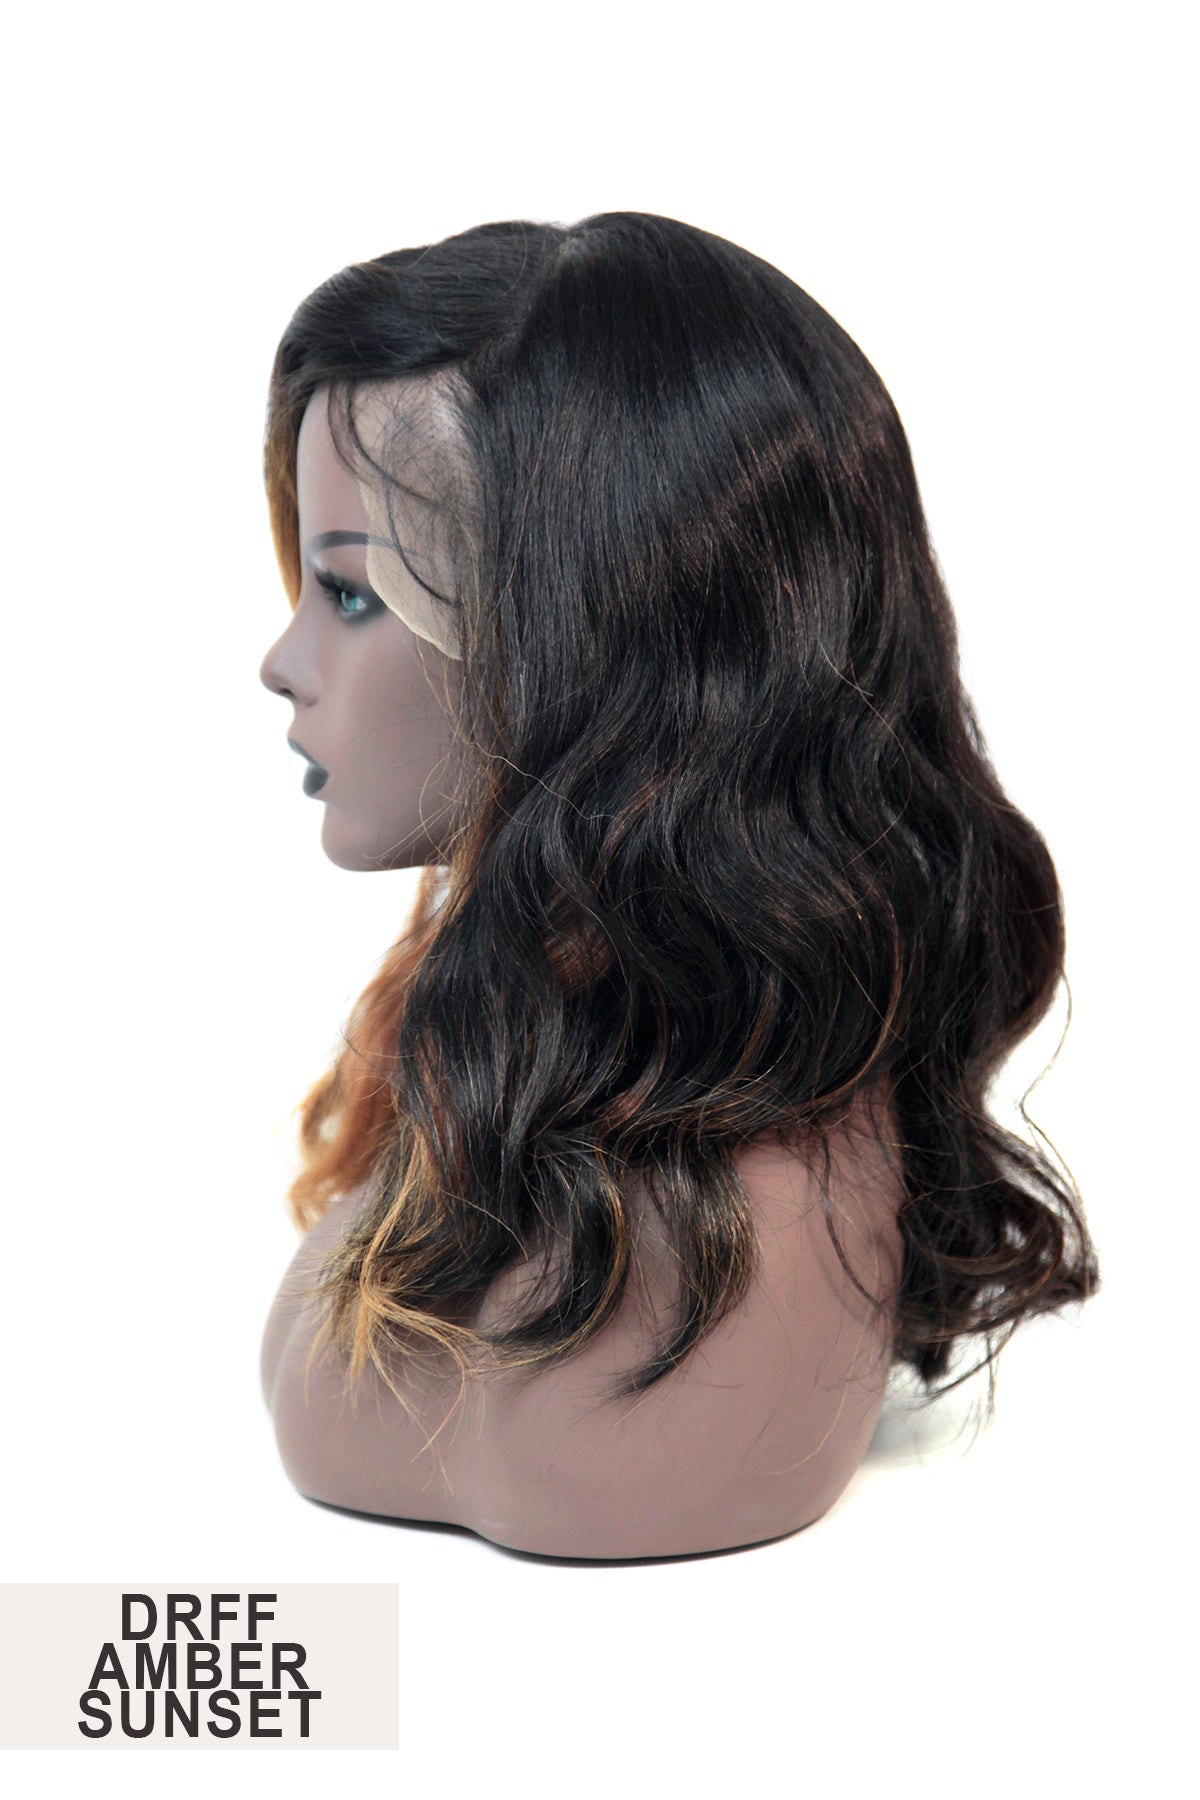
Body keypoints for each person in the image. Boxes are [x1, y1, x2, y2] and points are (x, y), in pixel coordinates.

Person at [257, 211, 1100, 1560]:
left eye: (352, 595)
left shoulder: (748, 1215)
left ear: (589, 644)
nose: (282, 662)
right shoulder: (501, 1078)